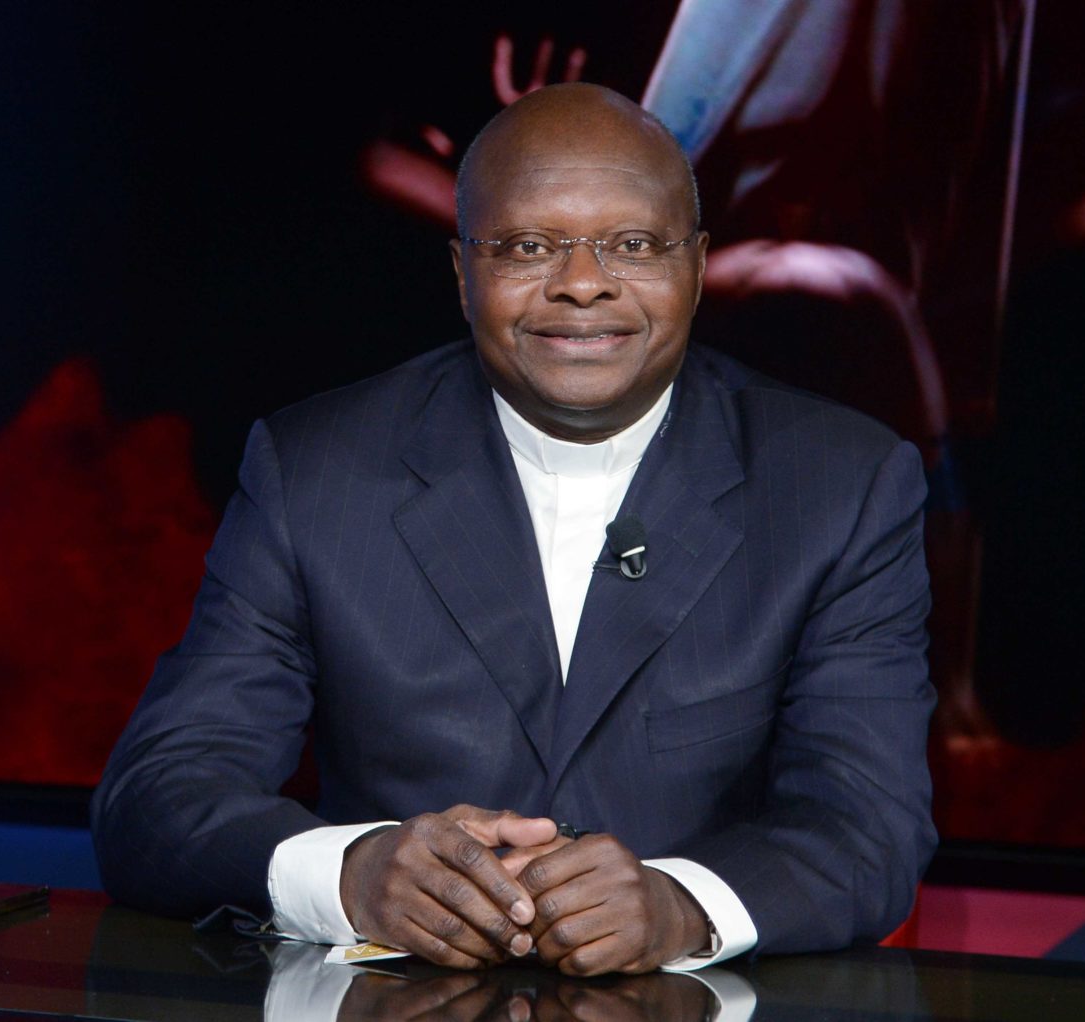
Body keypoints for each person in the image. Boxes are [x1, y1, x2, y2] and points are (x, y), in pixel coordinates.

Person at [93, 83, 936, 977]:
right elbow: (158, 797)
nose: (583, 282)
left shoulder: (839, 486)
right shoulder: (313, 472)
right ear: (463, 274)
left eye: (634, 245)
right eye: (530, 246)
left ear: (696, 267)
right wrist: (352, 873)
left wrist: (680, 905)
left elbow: (868, 828)